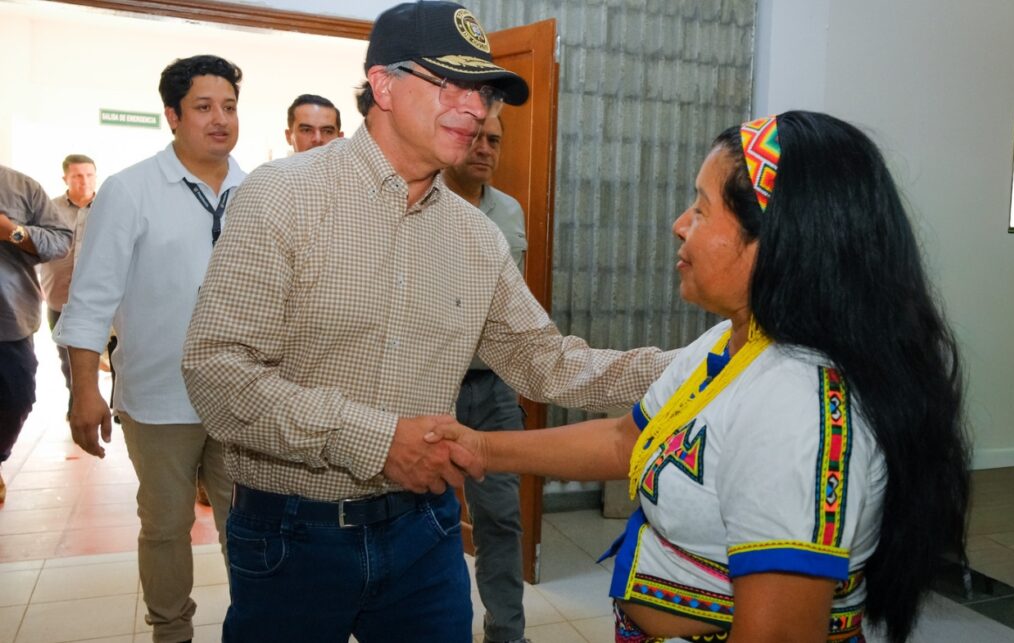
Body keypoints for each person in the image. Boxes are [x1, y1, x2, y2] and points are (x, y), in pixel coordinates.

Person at [181, 3, 673, 642]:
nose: (476, 110)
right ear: (382, 85)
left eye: (485, 93)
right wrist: (377, 439)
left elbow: (548, 363)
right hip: (293, 535)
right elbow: (217, 372)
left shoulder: (476, 236)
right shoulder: (283, 196)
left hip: (424, 531)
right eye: (452, 84)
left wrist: (707, 364)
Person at [428, 111, 971, 643]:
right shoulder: (730, 343)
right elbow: (625, 440)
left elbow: (777, 633)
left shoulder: (794, 404)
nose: (680, 224)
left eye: (702, 209)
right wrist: (480, 447)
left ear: (774, 240)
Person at [54, 54, 245, 643]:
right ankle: (171, 630)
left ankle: (256, 623)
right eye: (204, 107)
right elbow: (91, 297)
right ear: (172, 115)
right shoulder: (130, 190)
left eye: (230, 106)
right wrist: (84, 392)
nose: (220, 119)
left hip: (245, 397)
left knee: (250, 527)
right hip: (161, 397)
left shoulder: (259, 191)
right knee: (165, 525)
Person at [443, 114, 531, 643]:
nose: (483, 148)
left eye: (493, 140)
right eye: (473, 138)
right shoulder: (424, 205)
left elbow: (517, 307)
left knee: (500, 517)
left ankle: (506, 633)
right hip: (435, 387)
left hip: (494, 388)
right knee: (429, 520)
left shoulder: (509, 212)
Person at [0, 165, 72, 502]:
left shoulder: (20, 186)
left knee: (17, 397)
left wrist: (13, 232)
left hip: (9, 320)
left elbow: (61, 242)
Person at [39, 154, 97, 418]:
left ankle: (105, 406)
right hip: (59, 298)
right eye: (77, 176)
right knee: (66, 357)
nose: (84, 181)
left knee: (103, 354)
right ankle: (77, 403)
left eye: (89, 175)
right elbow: (36, 247)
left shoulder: (108, 208)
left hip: (99, 299)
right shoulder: (49, 210)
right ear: (65, 178)